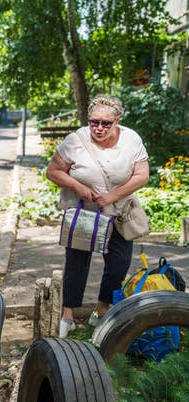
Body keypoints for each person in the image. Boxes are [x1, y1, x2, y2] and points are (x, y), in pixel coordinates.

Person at [46, 94, 149, 338]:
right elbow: (53, 171)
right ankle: (68, 315)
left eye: (105, 123)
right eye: (94, 122)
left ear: (117, 121)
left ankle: (101, 310)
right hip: (84, 213)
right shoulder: (75, 141)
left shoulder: (131, 139)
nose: (99, 128)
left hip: (118, 212)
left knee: (119, 263)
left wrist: (113, 195)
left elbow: (142, 174)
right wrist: (78, 187)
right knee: (76, 263)